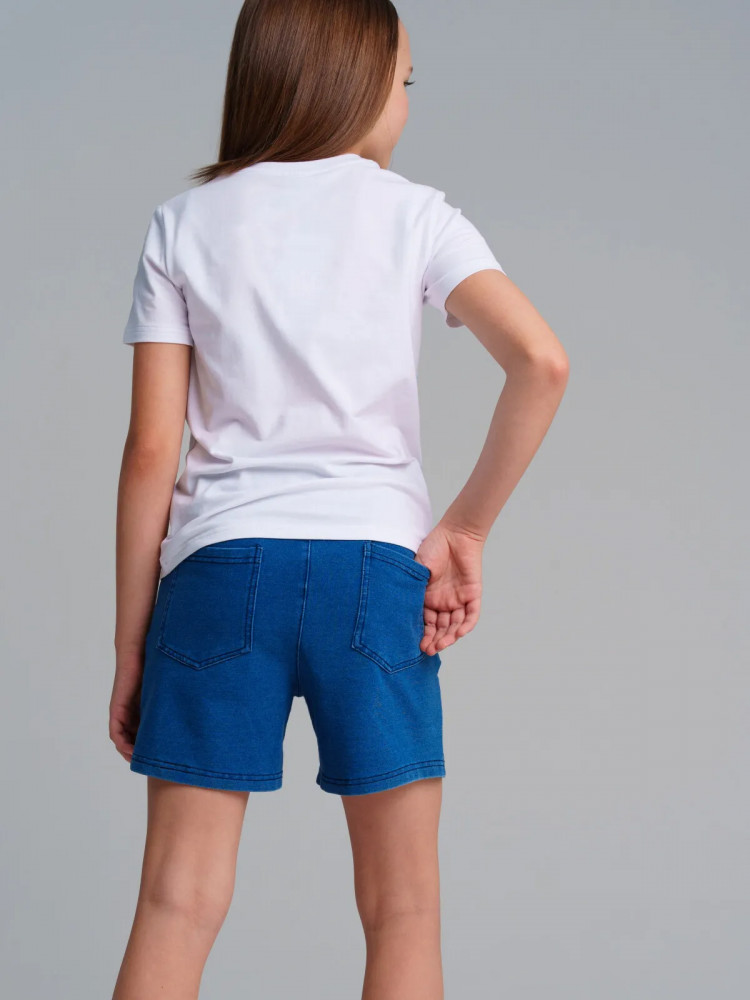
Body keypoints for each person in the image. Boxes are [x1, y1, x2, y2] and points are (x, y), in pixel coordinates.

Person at [110, 1, 568, 997]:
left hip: (216, 573)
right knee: (403, 908)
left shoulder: (184, 224)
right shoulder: (416, 215)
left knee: (176, 904)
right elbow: (540, 362)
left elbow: (151, 452)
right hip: (374, 575)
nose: (406, 103)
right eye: (405, 81)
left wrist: (132, 644)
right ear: (356, 83)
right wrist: (465, 528)